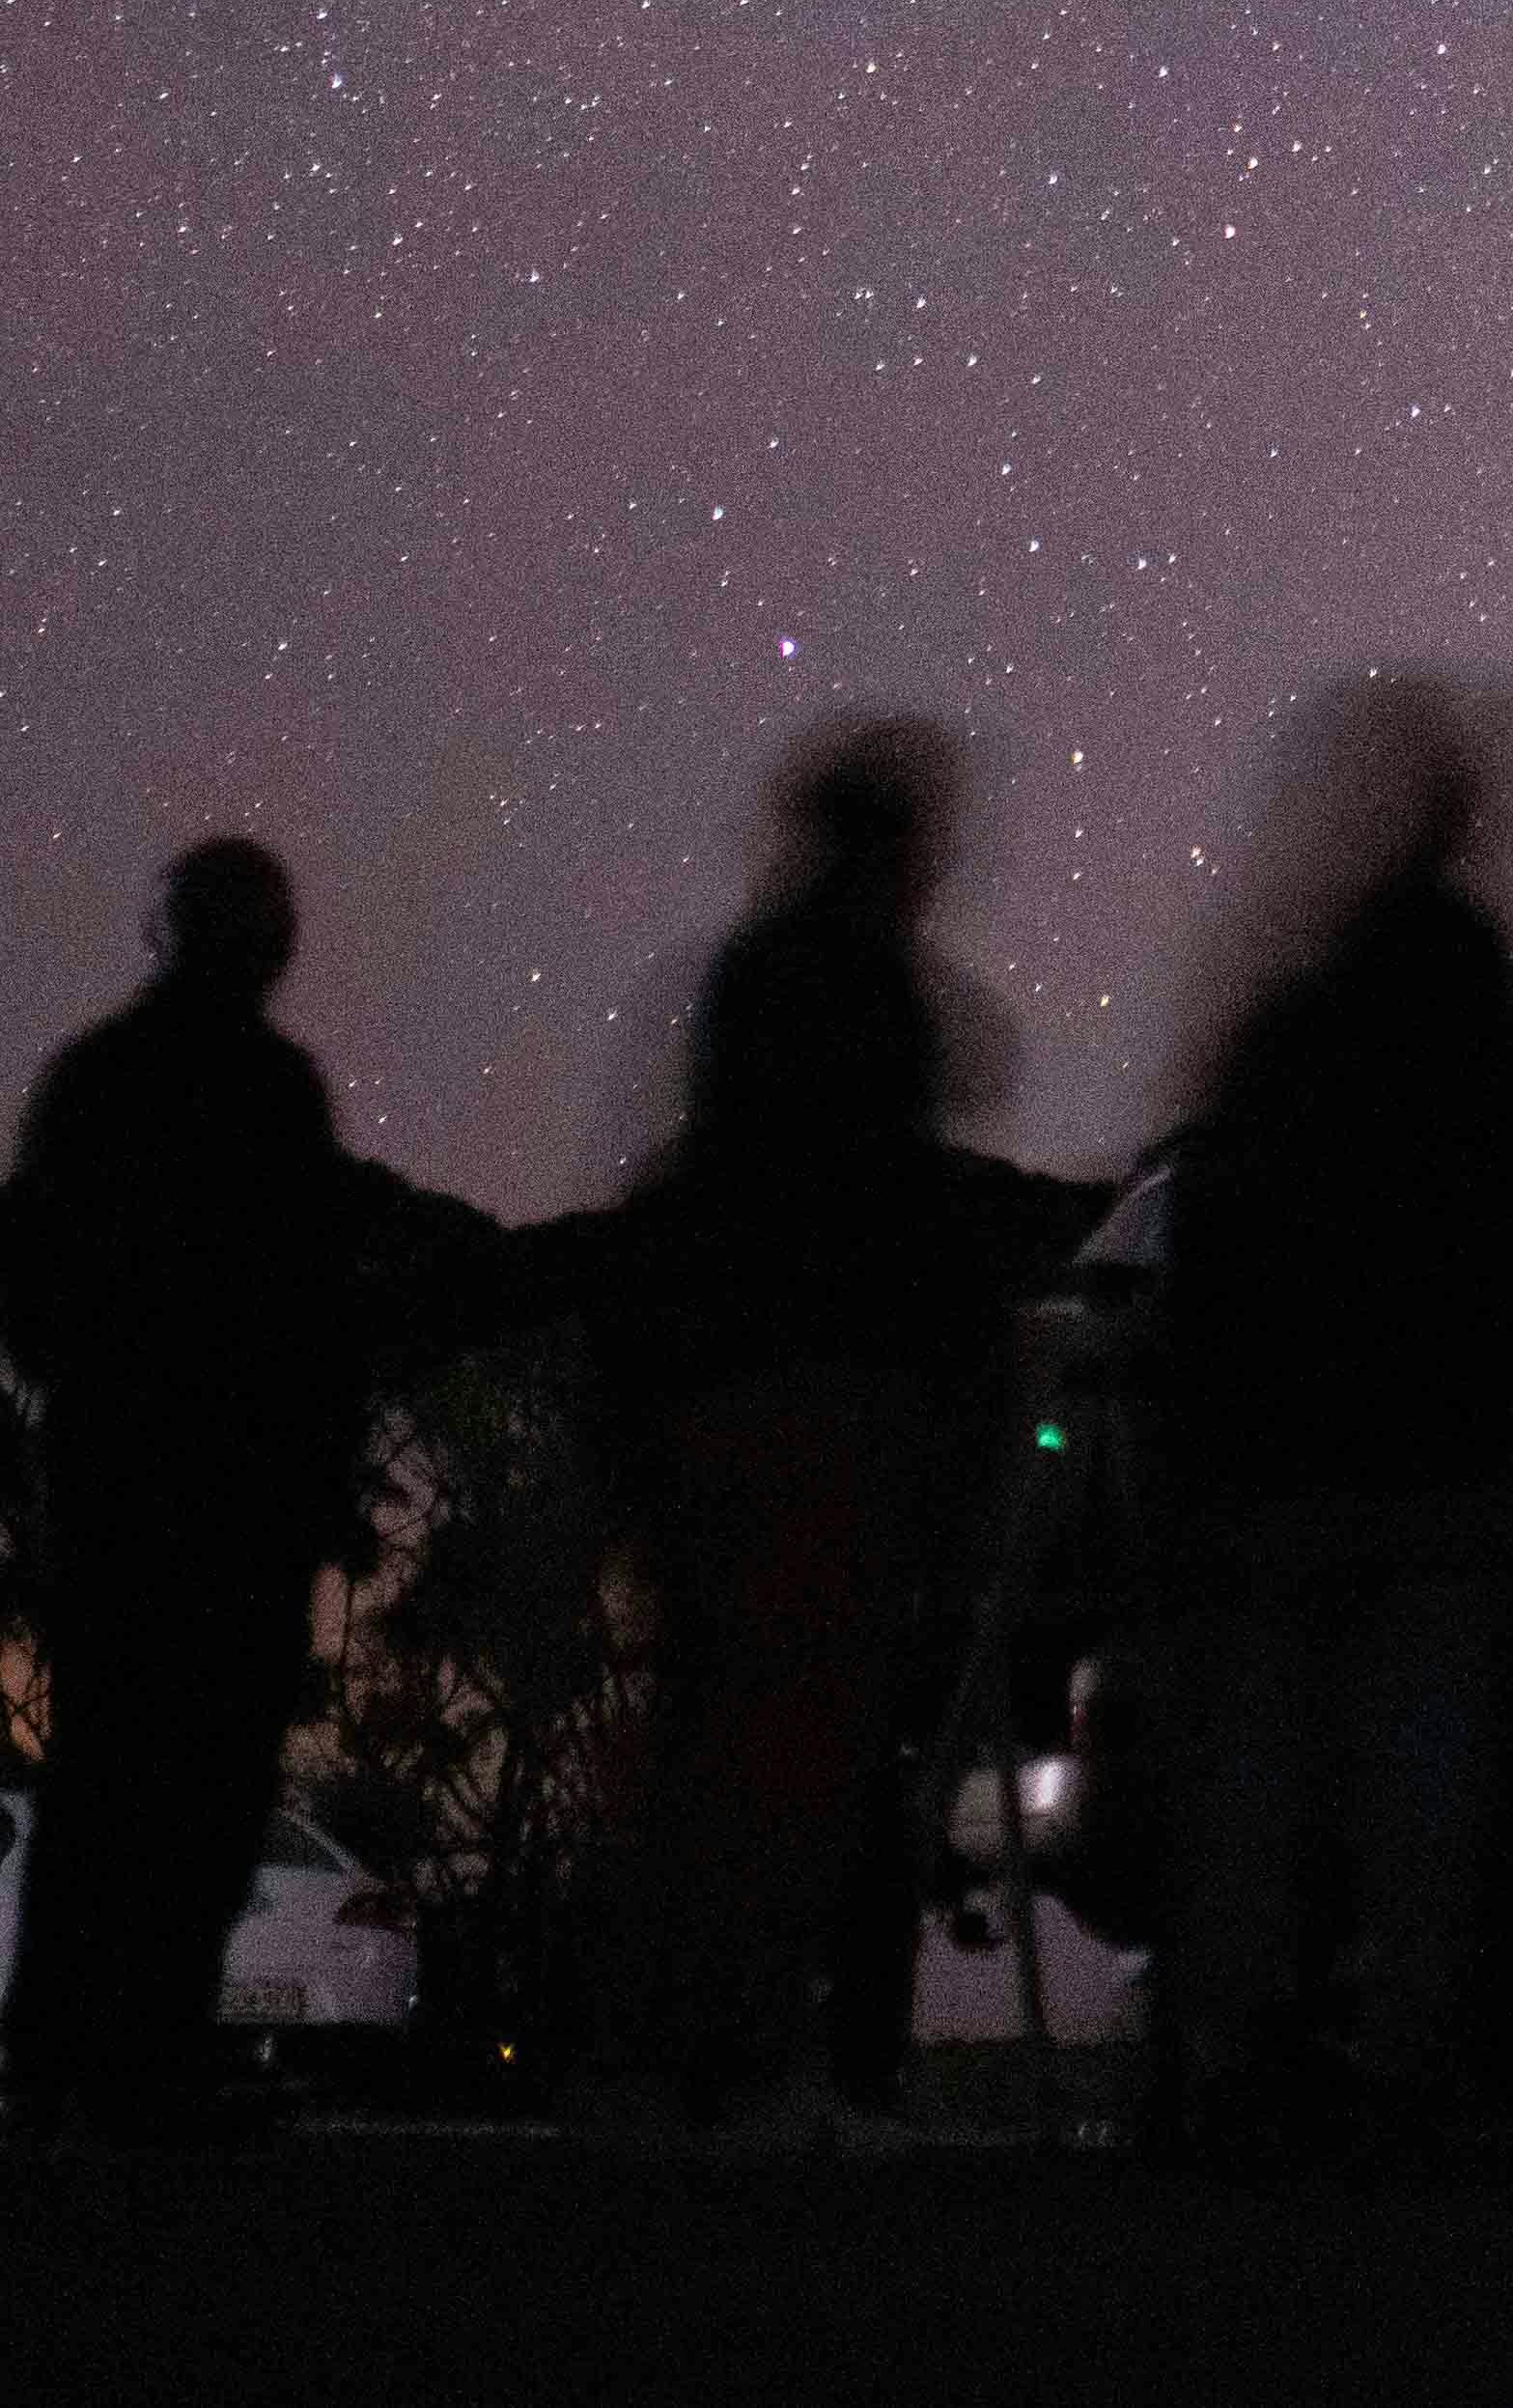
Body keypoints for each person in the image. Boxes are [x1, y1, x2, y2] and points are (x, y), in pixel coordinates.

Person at [1135, 676, 1513, 2170]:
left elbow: (1213, 1229)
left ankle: (1239, 2063)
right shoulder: (1463, 999)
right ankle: (1399, 2066)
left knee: (1261, 1778)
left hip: (1281, 1458)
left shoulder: (1288, 1020)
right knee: (1419, 1784)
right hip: (1432, 1453)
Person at [603, 714, 1018, 2139]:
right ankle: (754, 2062)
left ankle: (678, 2059)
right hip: (819, 1404)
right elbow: (883, 1203)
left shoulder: (751, 980)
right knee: (793, 1751)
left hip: (721, 1397)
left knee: (716, 1744)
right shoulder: (851, 989)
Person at [0, 835, 375, 2141]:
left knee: (106, 1768)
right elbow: (319, 1308)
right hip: (230, 1495)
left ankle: (59, 2059)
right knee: (203, 1782)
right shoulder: (274, 1091)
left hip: (118, 1482)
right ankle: (142, 2055)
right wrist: (313, 1472)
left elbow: (29, 1285)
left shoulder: (95, 1078)